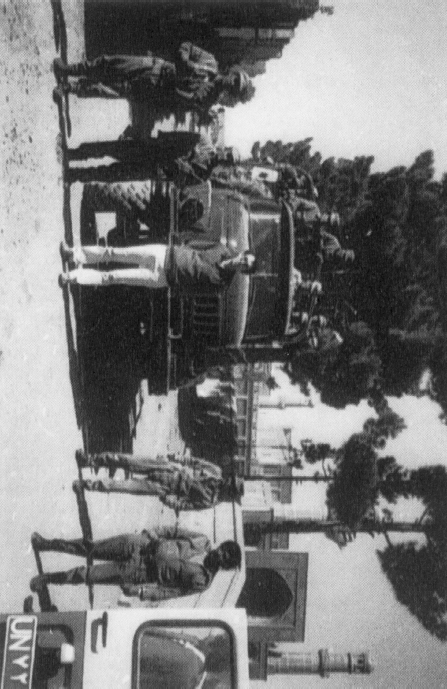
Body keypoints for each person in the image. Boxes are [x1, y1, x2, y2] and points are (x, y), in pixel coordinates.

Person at [29, 528, 241, 600]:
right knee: (91, 547)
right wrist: (152, 533)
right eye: (224, 550)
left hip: (139, 572)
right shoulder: (201, 541)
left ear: (224, 565)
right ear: (221, 545)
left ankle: (47, 579)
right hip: (140, 546)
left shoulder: (203, 581)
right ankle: (46, 544)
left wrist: (140, 592)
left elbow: (171, 592)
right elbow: (173, 531)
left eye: (225, 558)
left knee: (89, 575)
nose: (220, 554)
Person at [53, 43, 253, 119]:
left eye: (235, 88)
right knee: (110, 63)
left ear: (232, 93)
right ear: (232, 74)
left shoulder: (208, 100)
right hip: (153, 66)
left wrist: (186, 94)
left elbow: (180, 101)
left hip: (152, 90)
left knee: (107, 90)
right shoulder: (209, 62)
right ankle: (69, 69)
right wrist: (184, 60)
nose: (231, 84)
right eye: (235, 80)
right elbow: (186, 47)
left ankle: (68, 87)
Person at [73, 449, 243, 513]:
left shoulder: (210, 501)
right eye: (231, 481)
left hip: (164, 488)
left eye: (231, 488)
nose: (228, 483)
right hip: (168, 468)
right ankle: (89, 460)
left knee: (122, 486)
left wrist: (168, 500)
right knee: (125, 460)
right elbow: (194, 461)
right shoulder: (215, 471)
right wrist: (174, 457)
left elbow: (184, 506)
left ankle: (86, 485)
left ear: (230, 495)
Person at [59, 241, 256, 291]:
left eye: (245, 266)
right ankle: (74, 254)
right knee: (113, 252)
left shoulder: (222, 284)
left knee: (113, 277)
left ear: (244, 272)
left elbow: (193, 291)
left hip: (162, 278)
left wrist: (173, 283)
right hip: (163, 253)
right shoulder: (221, 248)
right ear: (243, 254)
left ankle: (72, 277)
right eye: (245, 259)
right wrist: (177, 250)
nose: (242, 263)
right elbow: (193, 244)